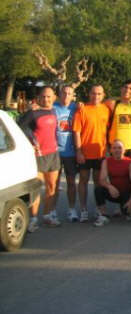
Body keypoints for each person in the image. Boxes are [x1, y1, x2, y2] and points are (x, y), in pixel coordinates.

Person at [19, 86, 61, 231]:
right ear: (38, 98)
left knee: (51, 187)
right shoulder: (33, 113)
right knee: (36, 189)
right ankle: (34, 219)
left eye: (49, 96)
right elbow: (19, 128)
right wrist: (30, 144)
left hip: (53, 154)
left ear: (54, 97)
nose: (46, 99)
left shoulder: (54, 110)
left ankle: (47, 215)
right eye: (43, 96)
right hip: (38, 156)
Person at [72, 84, 111, 223]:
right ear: (89, 94)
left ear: (103, 95)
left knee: (98, 182)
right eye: (94, 93)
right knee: (83, 180)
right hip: (85, 153)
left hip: (100, 153)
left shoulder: (106, 110)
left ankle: (98, 208)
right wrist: (79, 151)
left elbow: (106, 131)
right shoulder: (82, 110)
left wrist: (107, 150)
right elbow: (76, 132)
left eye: (99, 94)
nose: (96, 96)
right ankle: (83, 209)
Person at [93, 140, 131, 226]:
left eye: (120, 148)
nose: (117, 150)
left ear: (124, 150)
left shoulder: (130, 162)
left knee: (127, 213)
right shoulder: (106, 162)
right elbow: (102, 180)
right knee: (98, 189)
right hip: (114, 192)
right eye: (114, 148)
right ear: (111, 150)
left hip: (127, 193)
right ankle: (103, 215)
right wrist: (109, 187)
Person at [53, 84, 79, 222]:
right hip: (55, 152)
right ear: (59, 94)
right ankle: (52, 210)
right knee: (54, 184)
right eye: (64, 93)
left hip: (70, 152)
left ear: (73, 95)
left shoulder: (76, 107)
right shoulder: (53, 107)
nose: (66, 96)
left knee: (71, 182)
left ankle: (71, 209)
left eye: (69, 93)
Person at [105, 79, 131, 159]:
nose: (127, 90)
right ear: (121, 88)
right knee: (114, 171)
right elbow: (97, 103)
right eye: (125, 87)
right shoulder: (113, 103)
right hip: (115, 147)